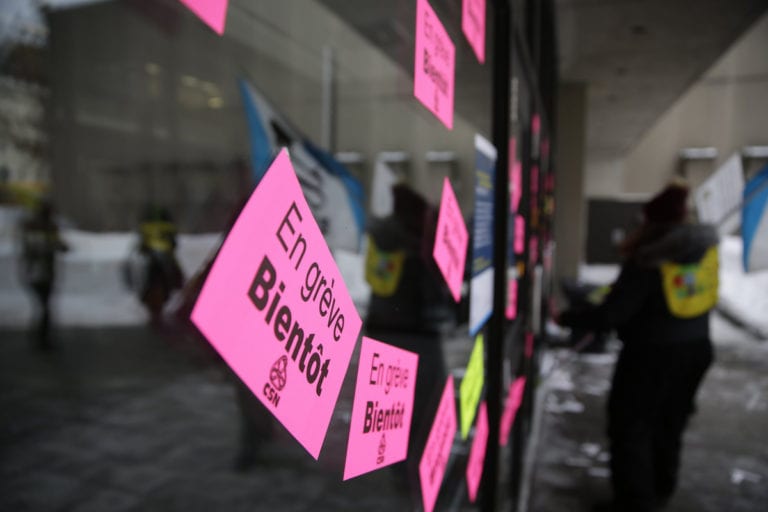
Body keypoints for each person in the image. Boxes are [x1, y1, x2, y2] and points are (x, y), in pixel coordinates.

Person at [558, 181, 719, 512]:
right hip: (697, 349)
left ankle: (634, 503)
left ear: (651, 222)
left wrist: (566, 317)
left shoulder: (650, 257)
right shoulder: (701, 251)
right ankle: (660, 491)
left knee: (630, 427)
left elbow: (613, 314)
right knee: (669, 424)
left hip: (651, 356)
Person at [363, 183, 453, 495]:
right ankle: (414, 477)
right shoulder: (418, 243)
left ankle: (400, 474)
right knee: (421, 410)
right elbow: (434, 294)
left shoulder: (383, 234)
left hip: (384, 329)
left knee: (391, 412)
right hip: (416, 335)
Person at [20, 198, 68, 350]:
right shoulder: (38, 227)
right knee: (44, 306)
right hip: (39, 271)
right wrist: (57, 246)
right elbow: (40, 247)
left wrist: (59, 246)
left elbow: (57, 244)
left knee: (43, 306)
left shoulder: (43, 226)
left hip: (42, 271)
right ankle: (41, 339)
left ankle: (41, 337)